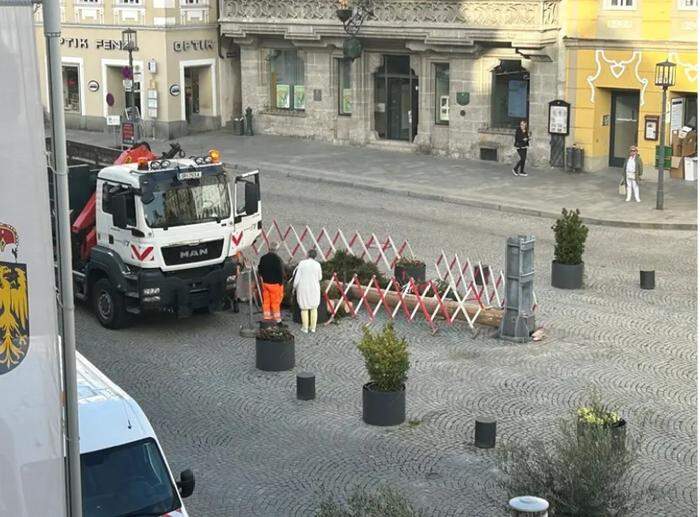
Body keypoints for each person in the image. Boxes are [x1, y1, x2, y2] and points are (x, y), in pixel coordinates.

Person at [293, 249, 323, 333]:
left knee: (304, 308)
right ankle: (313, 327)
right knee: (314, 308)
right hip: (314, 287)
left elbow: (297, 278)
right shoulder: (318, 264)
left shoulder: (302, 263)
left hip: (303, 287)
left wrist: (294, 287)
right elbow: (320, 277)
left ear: (308, 254)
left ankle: (305, 328)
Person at [257, 242, 285, 322]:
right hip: (275, 284)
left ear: (269, 249)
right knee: (275, 302)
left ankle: (267, 316)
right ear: (276, 250)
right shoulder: (277, 259)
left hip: (265, 283)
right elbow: (281, 272)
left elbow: (260, 269)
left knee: (266, 300)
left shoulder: (263, 258)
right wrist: (281, 283)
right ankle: (277, 318)